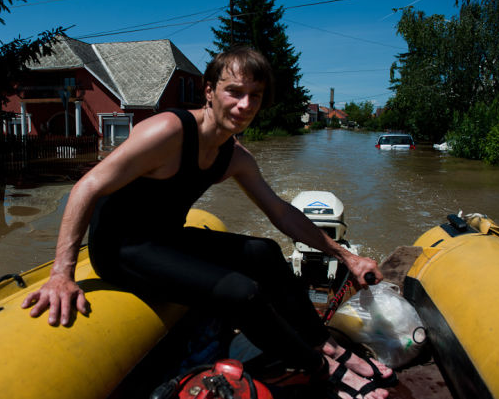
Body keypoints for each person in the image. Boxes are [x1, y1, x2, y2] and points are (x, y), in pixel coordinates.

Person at [22, 46, 395, 399]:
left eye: (256, 95)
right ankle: (319, 367)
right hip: (121, 248)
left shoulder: (234, 157)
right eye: (234, 91)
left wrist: (345, 256)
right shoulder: (167, 132)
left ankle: (320, 341)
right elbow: (86, 186)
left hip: (167, 238)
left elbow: (280, 212)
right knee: (240, 292)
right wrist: (62, 273)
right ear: (209, 91)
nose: (244, 104)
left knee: (264, 251)